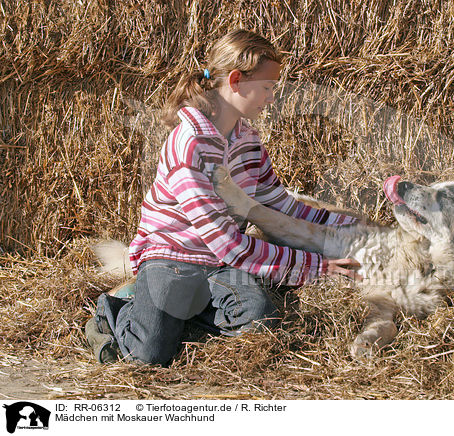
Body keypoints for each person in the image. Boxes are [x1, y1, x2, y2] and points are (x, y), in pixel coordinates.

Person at [85, 29, 361, 367]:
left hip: (218, 264)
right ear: (235, 80)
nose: (271, 99)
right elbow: (227, 242)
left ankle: (175, 314)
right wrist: (316, 267)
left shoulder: (249, 141)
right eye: (267, 88)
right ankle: (115, 311)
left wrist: (346, 224)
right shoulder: (189, 143)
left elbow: (279, 203)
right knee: (149, 354)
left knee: (262, 317)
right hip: (173, 257)